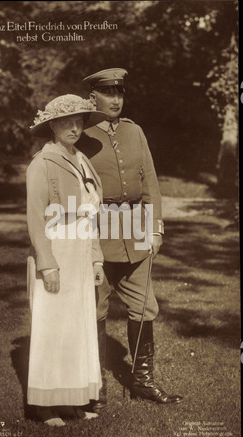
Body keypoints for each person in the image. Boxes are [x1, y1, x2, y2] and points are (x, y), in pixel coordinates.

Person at [78, 68, 183, 408]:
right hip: (98, 231)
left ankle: (143, 381)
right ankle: (96, 386)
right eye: (108, 93)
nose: (116, 99)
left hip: (135, 230)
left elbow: (150, 183)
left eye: (120, 92)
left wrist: (155, 229)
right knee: (96, 308)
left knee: (144, 308)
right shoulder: (81, 134)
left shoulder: (134, 132)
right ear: (93, 97)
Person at [26, 94, 107, 426]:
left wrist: (97, 260)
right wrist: (48, 265)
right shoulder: (42, 163)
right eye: (67, 123)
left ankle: (72, 399)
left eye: (79, 122)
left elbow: (91, 216)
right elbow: (35, 218)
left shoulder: (82, 159)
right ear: (53, 127)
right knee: (53, 328)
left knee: (77, 328)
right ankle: (44, 405)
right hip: (57, 251)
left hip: (81, 251)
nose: (75, 128)